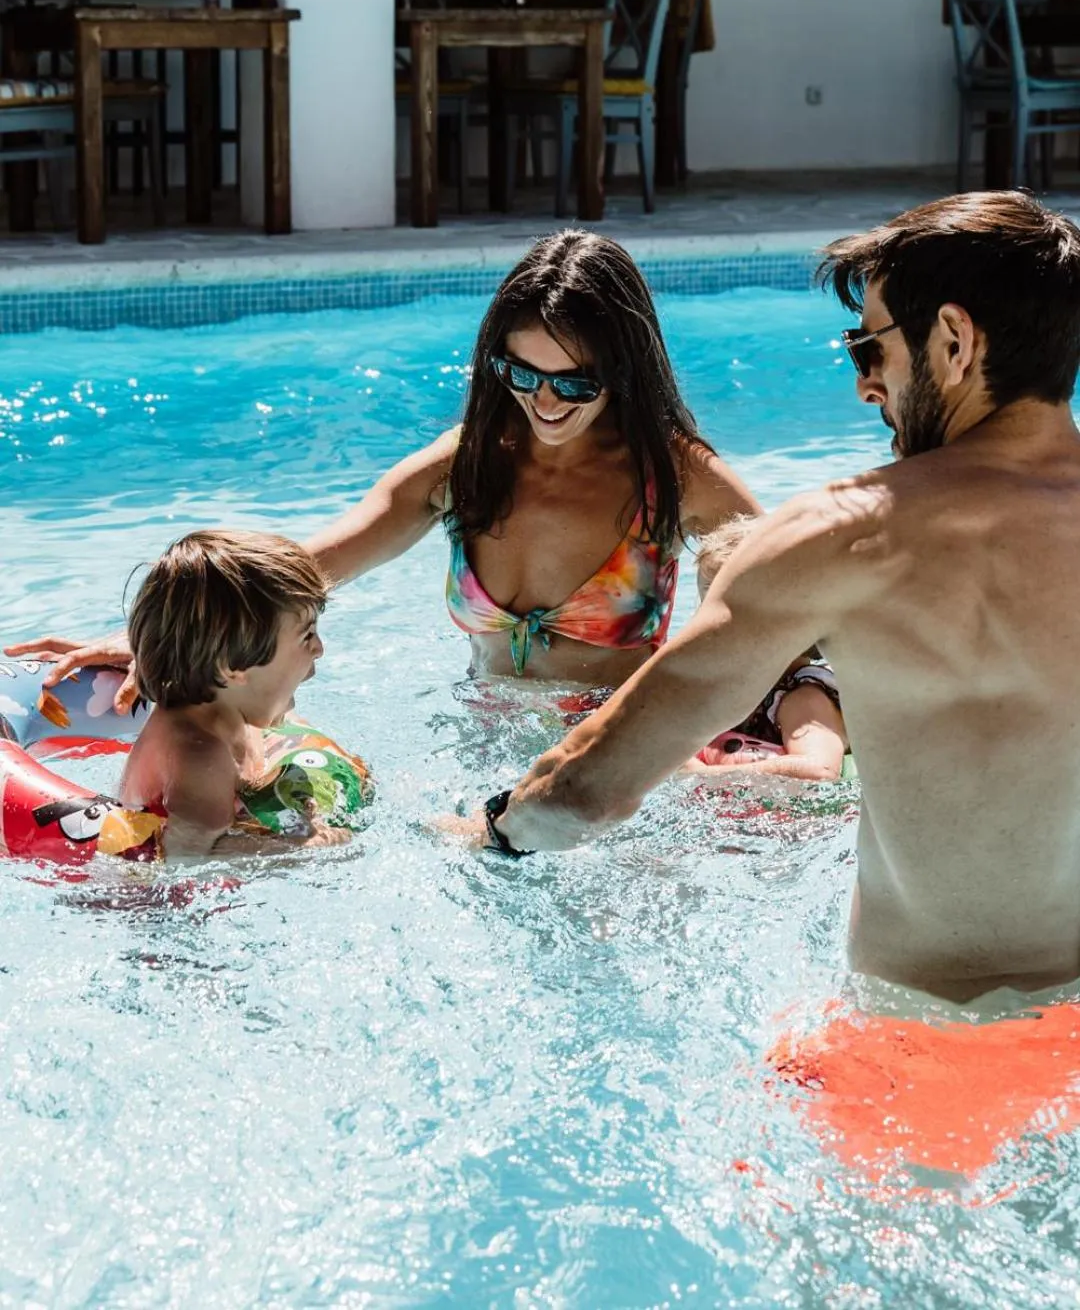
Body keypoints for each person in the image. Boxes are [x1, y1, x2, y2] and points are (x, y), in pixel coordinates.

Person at [474, 192, 1080, 1006]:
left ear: (953, 340)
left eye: (869, 349)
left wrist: (492, 831)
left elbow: (590, 788)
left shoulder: (841, 536)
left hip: (915, 1029)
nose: (867, 388)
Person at [9, 232, 758, 705]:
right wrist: (164, 639)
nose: (544, 401)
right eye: (520, 374)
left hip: (611, 753)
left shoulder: (675, 477)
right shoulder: (466, 465)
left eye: (573, 383)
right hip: (479, 744)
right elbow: (317, 563)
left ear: (623, 373)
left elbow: (789, 594)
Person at [119, 529, 350, 859]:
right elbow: (187, 855)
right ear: (232, 667)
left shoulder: (231, 711)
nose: (319, 649)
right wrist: (301, 847)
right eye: (306, 635)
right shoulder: (200, 759)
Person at [689, 516, 847, 783]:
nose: (714, 623)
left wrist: (705, 775)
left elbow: (820, 771)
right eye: (709, 606)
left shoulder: (802, 699)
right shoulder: (724, 688)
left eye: (735, 611)